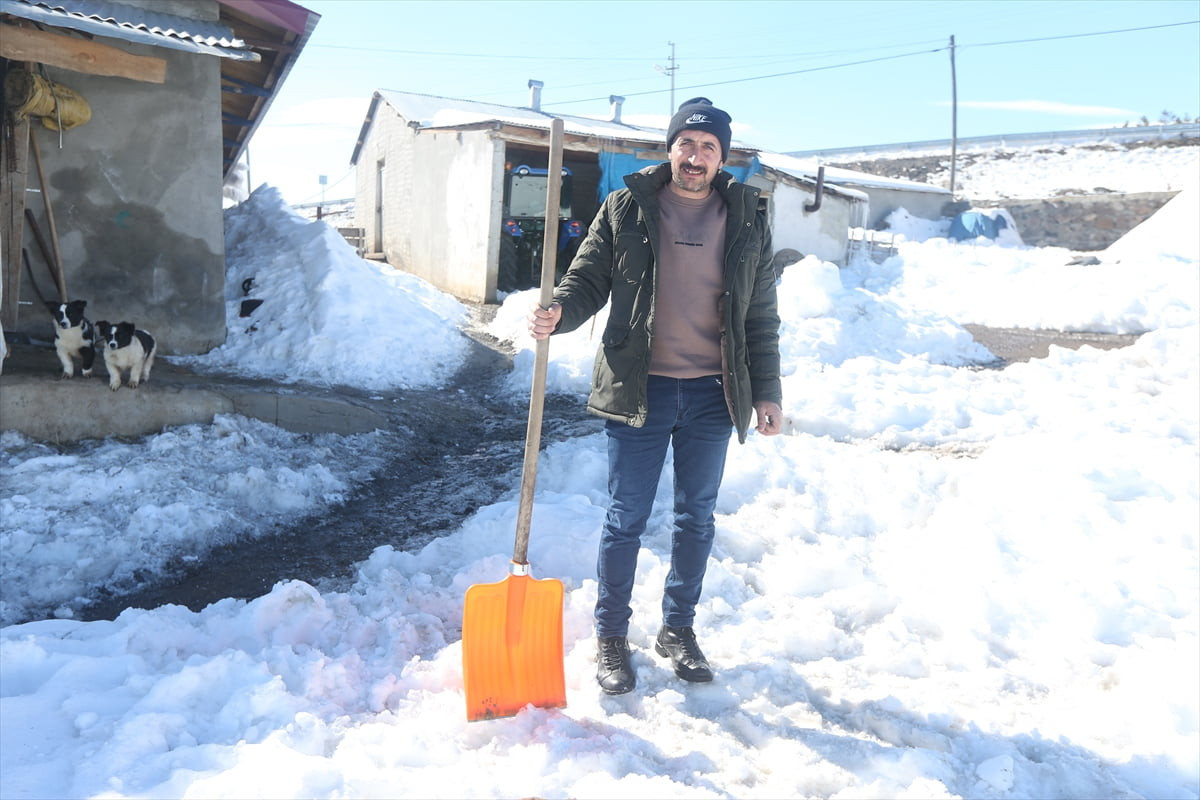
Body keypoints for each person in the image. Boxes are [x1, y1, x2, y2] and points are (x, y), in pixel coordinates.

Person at [528, 97, 783, 695]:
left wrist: (766, 391)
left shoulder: (746, 216)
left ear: (723, 158)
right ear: (670, 148)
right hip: (638, 387)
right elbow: (589, 277)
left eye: (708, 148)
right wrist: (560, 312)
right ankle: (611, 637)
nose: (695, 157)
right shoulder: (626, 207)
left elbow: (761, 315)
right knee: (626, 518)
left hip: (713, 395)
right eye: (686, 144)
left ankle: (678, 630)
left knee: (696, 518)